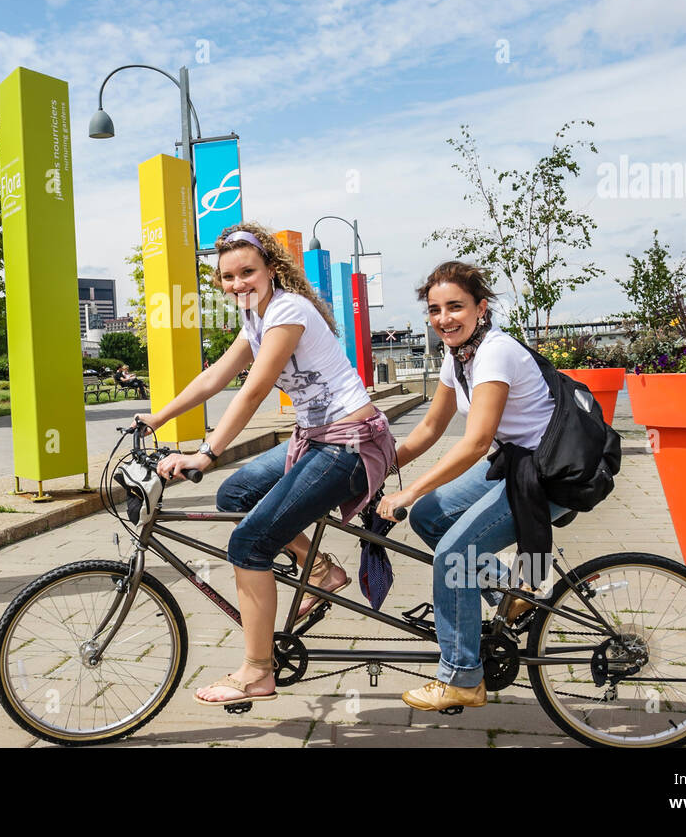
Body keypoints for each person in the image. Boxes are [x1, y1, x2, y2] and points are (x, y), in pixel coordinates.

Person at [137, 223, 396, 707]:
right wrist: (158, 417)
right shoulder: (255, 318)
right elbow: (218, 375)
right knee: (234, 495)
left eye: (248, 272)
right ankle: (318, 570)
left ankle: (257, 671)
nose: (238, 283)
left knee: (249, 541)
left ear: (272, 270)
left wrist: (207, 453)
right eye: (228, 277)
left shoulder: (288, 310)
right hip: (315, 439)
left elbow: (255, 389)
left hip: (351, 445)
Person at [378, 261, 569, 712]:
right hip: (517, 465)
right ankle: (510, 595)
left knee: (454, 556)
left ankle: (462, 677)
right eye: (435, 309)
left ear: (481, 308)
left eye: (456, 307)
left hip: (548, 474)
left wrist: (408, 492)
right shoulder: (457, 356)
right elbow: (428, 428)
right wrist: (378, 468)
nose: (444, 318)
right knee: (430, 516)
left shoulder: (495, 353)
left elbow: (477, 441)